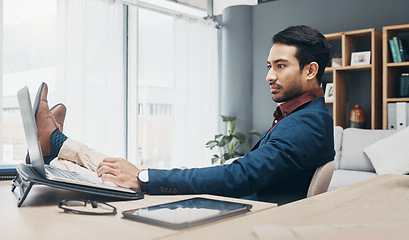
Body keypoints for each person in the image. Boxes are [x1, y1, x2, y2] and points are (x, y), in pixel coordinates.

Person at [34, 25, 334, 205]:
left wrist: (142, 179)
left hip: (246, 217)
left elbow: (242, 177)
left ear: (310, 71)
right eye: (269, 65)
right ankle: (56, 146)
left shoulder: (307, 124)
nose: (269, 75)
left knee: (117, 181)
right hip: (243, 203)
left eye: (280, 66)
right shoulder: (305, 114)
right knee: (118, 173)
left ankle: (56, 146)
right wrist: (144, 176)